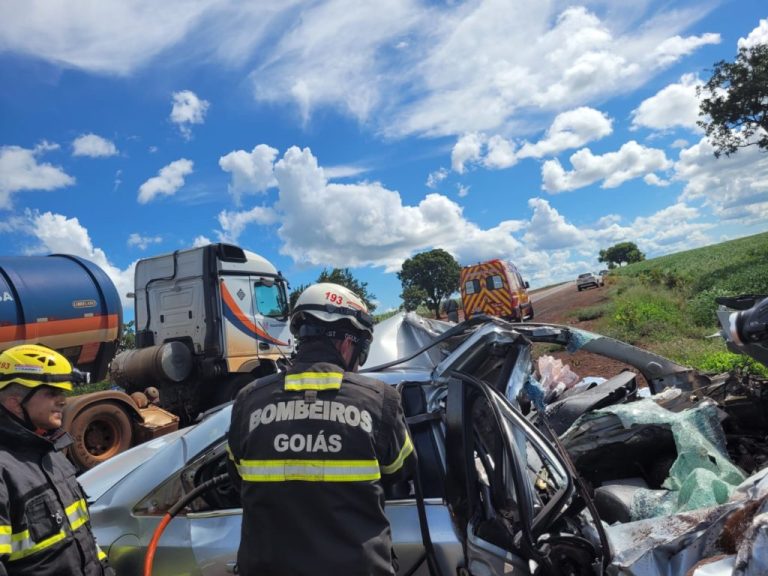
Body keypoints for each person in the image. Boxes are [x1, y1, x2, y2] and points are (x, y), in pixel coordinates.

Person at [228, 283, 415, 576]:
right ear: (346, 343)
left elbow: (237, 478)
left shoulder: (249, 400)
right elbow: (401, 471)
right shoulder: (380, 400)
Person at [0, 344, 114, 576]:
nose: (63, 400)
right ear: (14, 403)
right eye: (52, 393)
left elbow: (83, 535)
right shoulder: (4, 469)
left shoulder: (52, 453)